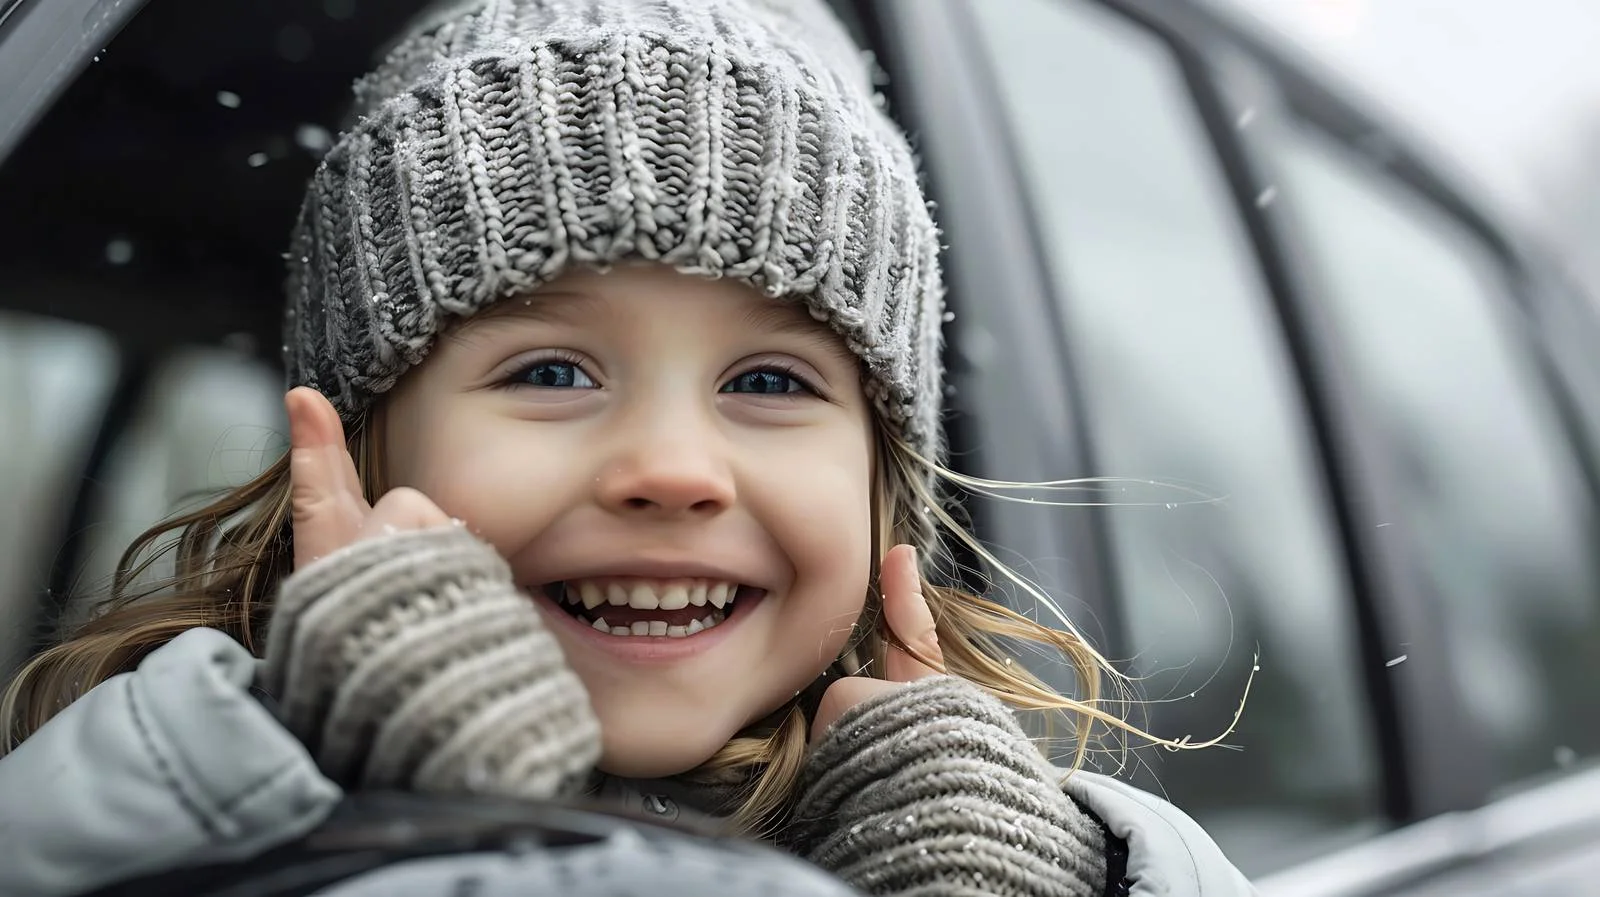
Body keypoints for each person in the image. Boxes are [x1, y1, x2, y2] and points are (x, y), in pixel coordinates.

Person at [0, 0, 1257, 894]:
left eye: (769, 380)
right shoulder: (141, 806)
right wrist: (428, 822)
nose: (672, 468)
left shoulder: (1092, 860)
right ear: (356, 449)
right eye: (550, 372)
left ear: (890, 495)